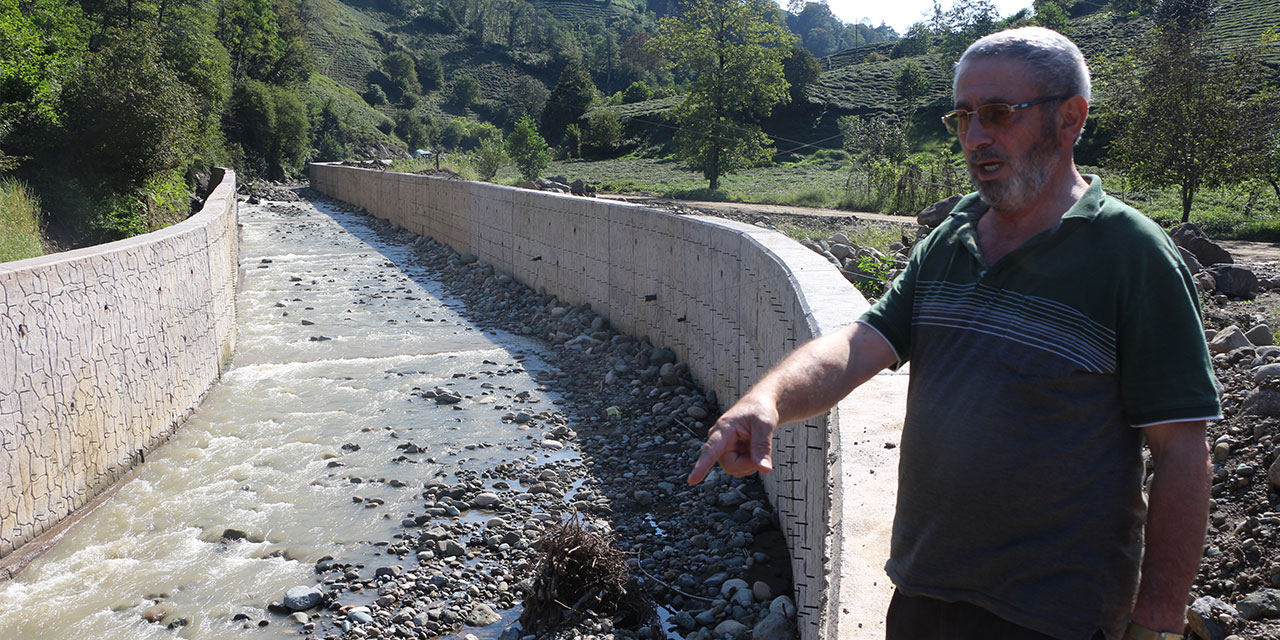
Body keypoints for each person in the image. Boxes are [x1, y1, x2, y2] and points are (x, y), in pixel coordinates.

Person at [688, 27, 1220, 640]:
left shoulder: (1134, 257)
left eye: (998, 113)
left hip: (1055, 618)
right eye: (963, 117)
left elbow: (1182, 451)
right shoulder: (950, 238)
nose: (975, 138)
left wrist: (1157, 621)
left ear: (1070, 119)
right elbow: (860, 344)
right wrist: (767, 400)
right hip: (924, 595)